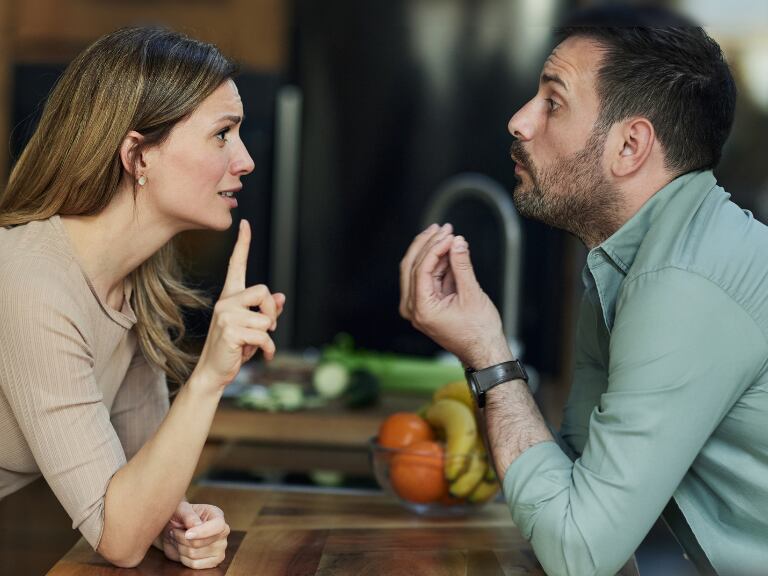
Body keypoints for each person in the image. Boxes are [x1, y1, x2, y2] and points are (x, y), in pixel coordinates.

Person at [400, 6, 768, 576]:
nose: (520, 121)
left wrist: (488, 353)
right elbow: (574, 479)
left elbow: (578, 550)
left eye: (553, 102)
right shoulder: (627, 254)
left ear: (630, 146)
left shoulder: (681, 280)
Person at [0, 27, 284, 569]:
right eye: (222, 134)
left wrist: (178, 525)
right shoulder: (31, 287)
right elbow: (119, 538)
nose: (245, 160)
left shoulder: (133, 287)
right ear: (139, 155)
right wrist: (210, 376)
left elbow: (135, 493)